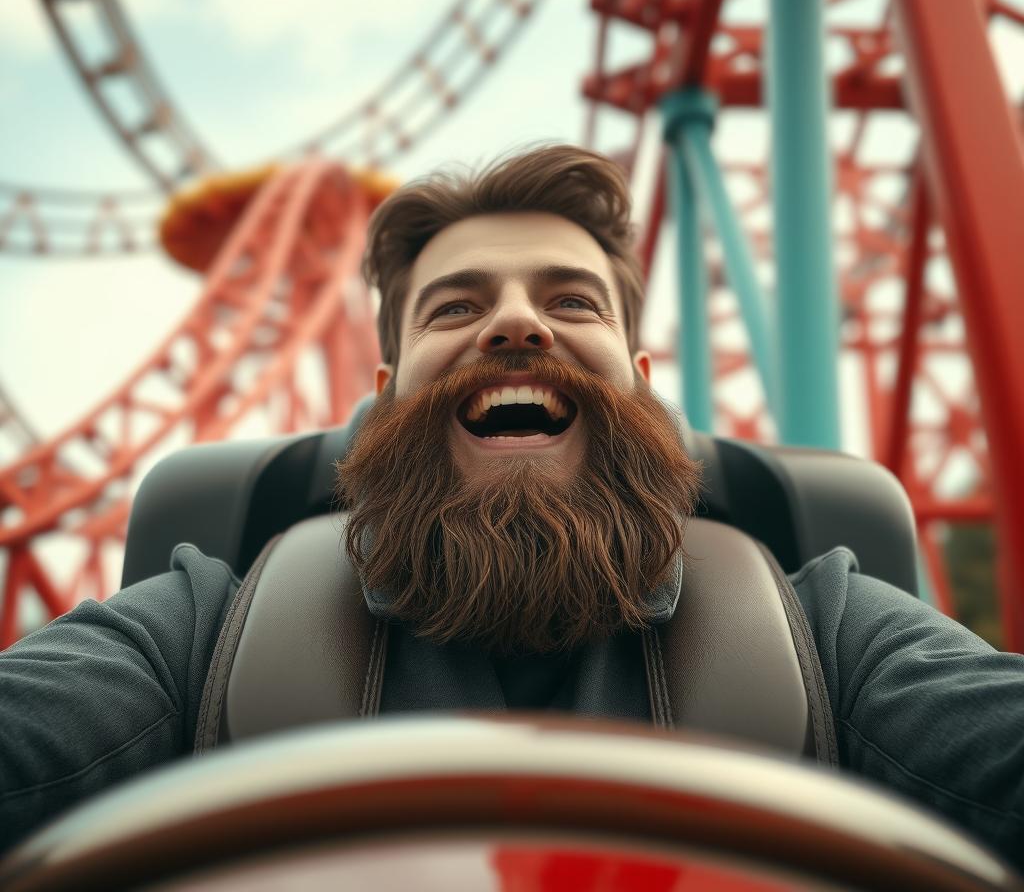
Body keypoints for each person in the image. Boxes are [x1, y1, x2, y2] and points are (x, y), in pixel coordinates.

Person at [1, 145, 1022, 865]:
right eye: (458, 305)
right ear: (386, 391)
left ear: (638, 375)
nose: (517, 325)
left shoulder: (824, 627)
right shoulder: (206, 625)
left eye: (571, 300)